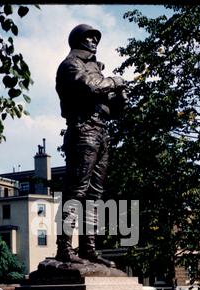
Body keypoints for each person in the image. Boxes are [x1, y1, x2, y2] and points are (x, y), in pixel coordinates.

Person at [55, 24, 127, 266]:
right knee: (76, 192)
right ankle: (64, 248)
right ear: (77, 40)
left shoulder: (95, 69)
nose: (94, 40)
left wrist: (120, 96)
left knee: (94, 195)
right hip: (83, 130)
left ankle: (88, 249)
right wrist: (114, 81)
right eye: (89, 37)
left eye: (96, 37)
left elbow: (113, 110)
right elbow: (91, 86)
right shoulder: (71, 64)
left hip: (101, 131)